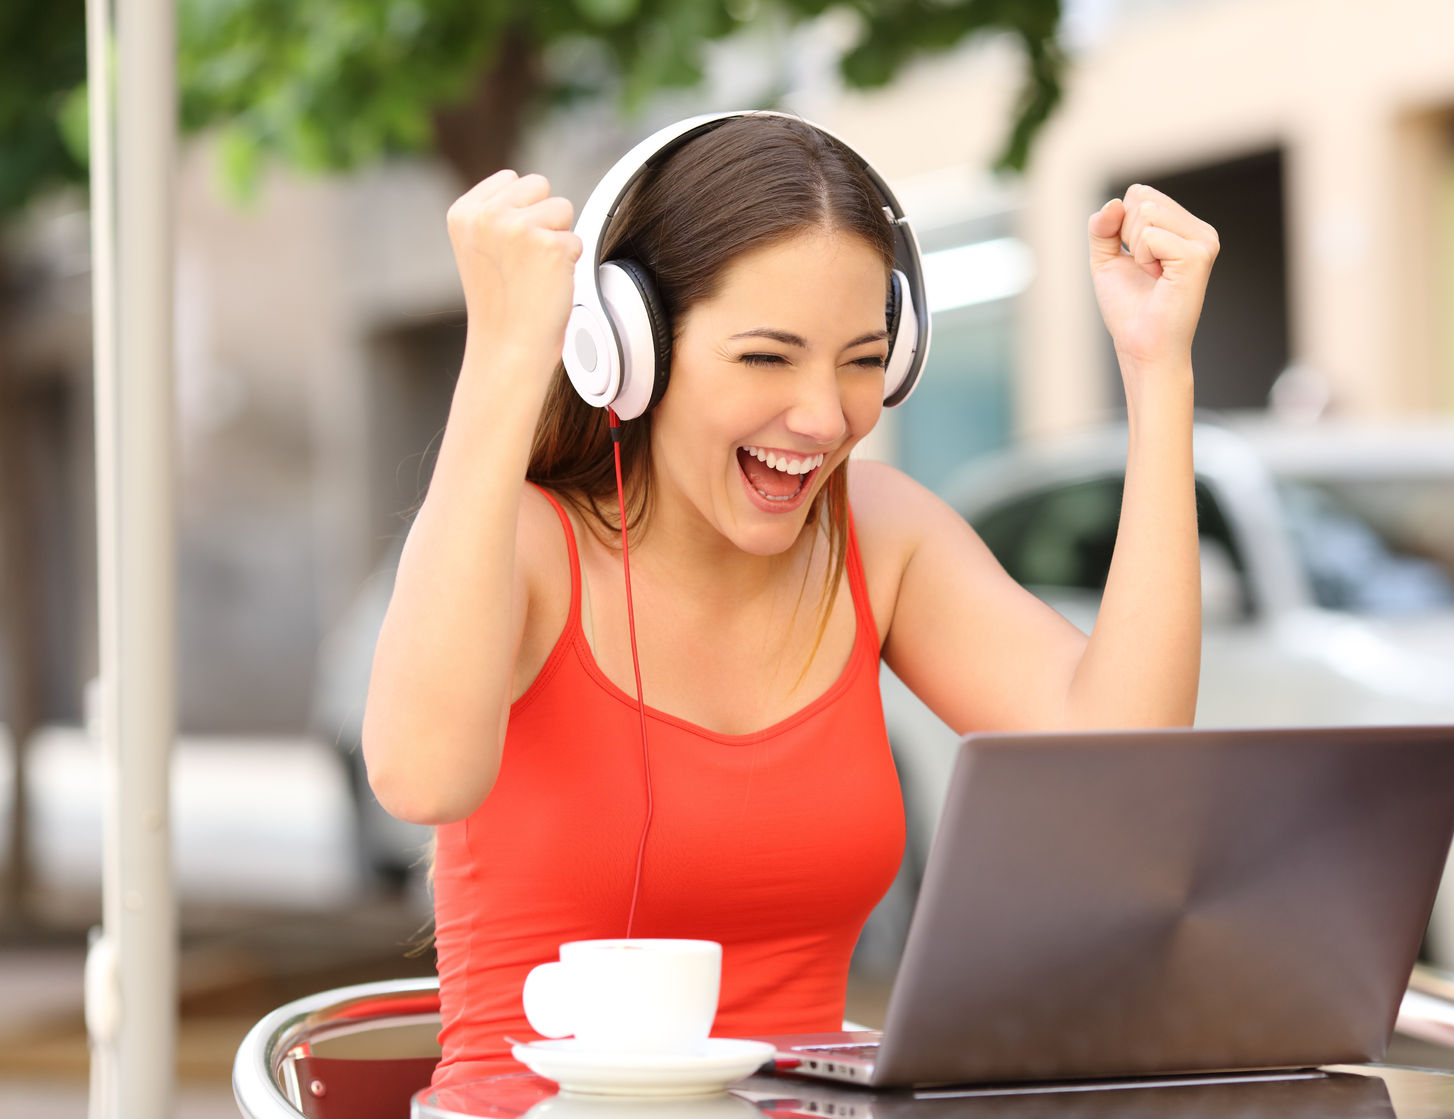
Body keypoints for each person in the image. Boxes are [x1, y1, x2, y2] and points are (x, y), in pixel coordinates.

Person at [362, 112, 1217, 1088]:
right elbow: (420, 779)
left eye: (861, 360)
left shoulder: (881, 536)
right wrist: (507, 356)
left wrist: (1158, 373)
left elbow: (1119, 755)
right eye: (766, 358)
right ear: (628, 351)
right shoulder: (525, 544)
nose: (821, 416)